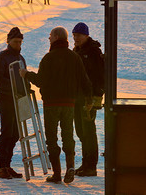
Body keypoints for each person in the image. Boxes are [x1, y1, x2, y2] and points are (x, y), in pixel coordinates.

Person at [20, 26, 92, 184]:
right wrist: (89, 99)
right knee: (68, 135)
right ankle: (71, 166)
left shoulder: (49, 58)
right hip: (69, 104)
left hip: (51, 104)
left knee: (51, 139)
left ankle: (57, 174)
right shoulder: (74, 57)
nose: (48, 38)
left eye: (50, 36)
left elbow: (40, 81)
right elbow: (84, 80)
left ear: (56, 38)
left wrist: (26, 74)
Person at [0, 27, 25, 179]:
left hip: (18, 99)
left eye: (20, 42)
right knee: (6, 131)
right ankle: (1, 166)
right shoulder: (1, 57)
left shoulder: (21, 59)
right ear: (9, 41)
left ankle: (7, 164)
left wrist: (25, 87)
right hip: (5, 98)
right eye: (16, 41)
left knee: (16, 132)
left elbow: (24, 78)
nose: (19, 44)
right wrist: (13, 86)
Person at [72, 22, 104, 177]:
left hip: (88, 99)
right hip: (77, 98)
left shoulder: (93, 52)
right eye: (74, 35)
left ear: (86, 35)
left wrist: (97, 96)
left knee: (88, 132)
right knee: (80, 131)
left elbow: (100, 76)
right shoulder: (77, 51)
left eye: (78, 35)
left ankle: (91, 166)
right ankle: (85, 164)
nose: (75, 38)